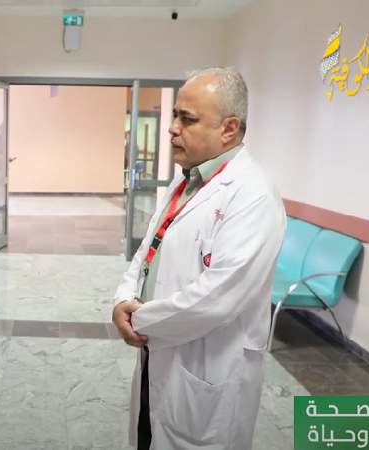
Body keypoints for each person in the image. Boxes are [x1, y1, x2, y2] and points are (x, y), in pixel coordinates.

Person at [112, 67, 287, 450]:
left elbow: (217, 298)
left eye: (187, 119)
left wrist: (138, 319)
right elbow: (148, 249)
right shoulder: (185, 179)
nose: (172, 128)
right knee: (147, 434)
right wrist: (123, 298)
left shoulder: (253, 195)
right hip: (158, 350)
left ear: (229, 128)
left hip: (207, 368)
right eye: (175, 115)